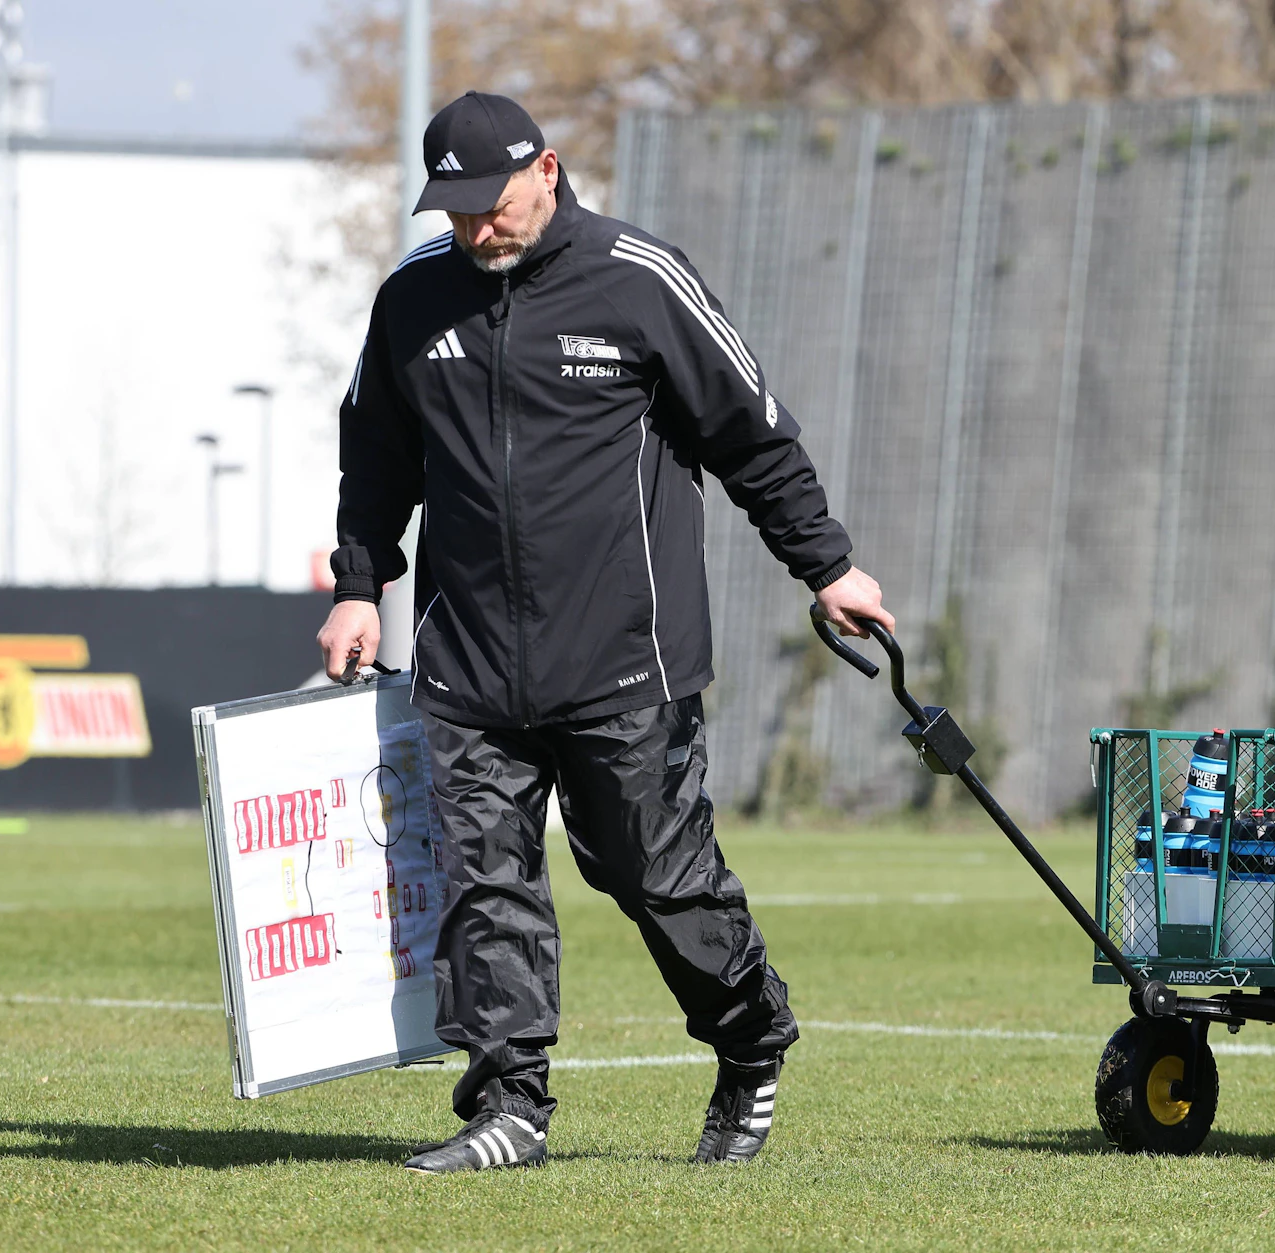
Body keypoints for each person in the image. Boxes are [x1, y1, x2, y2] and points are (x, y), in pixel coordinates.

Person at [317, 90, 893, 1173]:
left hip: (627, 657)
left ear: (545, 171)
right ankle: (509, 1107)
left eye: (490, 203)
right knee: (484, 884)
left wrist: (825, 566)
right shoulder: (411, 299)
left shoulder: (640, 278)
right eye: (454, 211)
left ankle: (749, 1037)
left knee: (654, 876)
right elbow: (375, 455)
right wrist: (359, 582)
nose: (474, 228)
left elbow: (753, 436)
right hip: (467, 659)